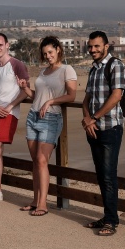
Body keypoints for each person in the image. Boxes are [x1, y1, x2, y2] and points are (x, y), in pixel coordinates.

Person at [18, 36, 77, 215]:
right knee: (36, 161)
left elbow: (71, 96)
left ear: (58, 49)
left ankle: (43, 203)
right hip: (33, 116)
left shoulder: (67, 69)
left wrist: (50, 101)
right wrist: (25, 89)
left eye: (50, 52)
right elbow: (38, 96)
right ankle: (36, 201)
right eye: (45, 54)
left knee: (42, 160)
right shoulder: (44, 71)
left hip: (51, 118)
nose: (48, 56)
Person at [82, 30, 125, 236]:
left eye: (97, 46)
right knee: (101, 175)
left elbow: (116, 96)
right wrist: (87, 119)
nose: (92, 50)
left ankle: (111, 221)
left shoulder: (115, 66)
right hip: (93, 128)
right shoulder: (93, 69)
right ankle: (107, 216)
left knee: (108, 176)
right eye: (90, 46)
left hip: (110, 128)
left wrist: (95, 117)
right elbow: (86, 99)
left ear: (106, 46)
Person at [0, 32, 29, 202]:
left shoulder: (17, 65)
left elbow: (26, 91)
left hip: (8, 115)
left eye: (0, 45)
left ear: (7, 45)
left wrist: (9, 106)